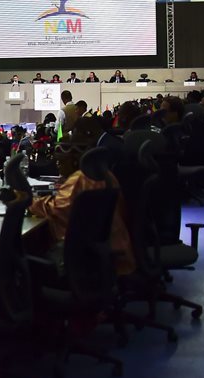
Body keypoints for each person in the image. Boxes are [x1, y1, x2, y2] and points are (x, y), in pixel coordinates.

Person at [29, 117, 134, 275]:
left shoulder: (80, 179)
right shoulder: (106, 175)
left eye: (60, 162)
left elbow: (56, 208)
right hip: (111, 253)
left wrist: (26, 200)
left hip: (85, 261)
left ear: (74, 160)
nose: (58, 167)